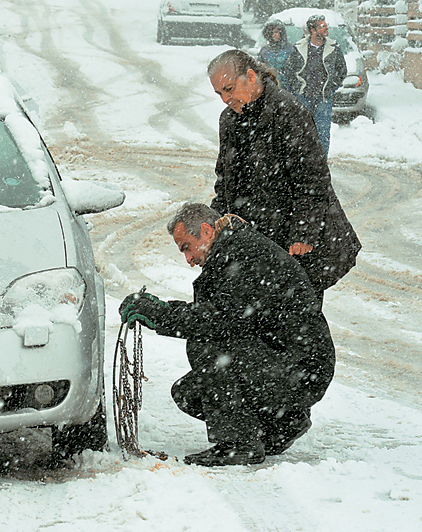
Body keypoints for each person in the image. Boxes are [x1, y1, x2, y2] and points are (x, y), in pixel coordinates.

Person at [119, 203, 336, 467]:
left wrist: (161, 313)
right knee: (188, 393)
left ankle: (240, 444)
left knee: (207, 346)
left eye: (186, 247)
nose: (188, 260)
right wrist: (163, 312)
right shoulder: (232, 250)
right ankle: (281, 425)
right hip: (289, 364)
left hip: (301, 369)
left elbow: (218, 321)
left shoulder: (243, 254)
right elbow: (219, 316)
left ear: (207, 231)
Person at [207, 48, 360, 304]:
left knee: (297, 323)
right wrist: (217, 222)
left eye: (229, 89)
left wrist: (302, 233)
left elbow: (313, 180)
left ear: (252, 77)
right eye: (219, 93)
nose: (225, 99)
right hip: (256, 239)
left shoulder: (289, 112)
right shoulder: (229, 120)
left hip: (293, 238)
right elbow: (225, 181)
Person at [284, 14, 348, 156]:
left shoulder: (334, 47)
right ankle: (302, 163)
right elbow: (289, 71)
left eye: (326, 25)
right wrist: (296, 90)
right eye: (322, 26)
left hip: (323, 99)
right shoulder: (299, 48)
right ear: (312, 31)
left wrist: (331, 87)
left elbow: (342, 70)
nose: (326, 29)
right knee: (301, 132)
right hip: (303, 98)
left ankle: (320, 166)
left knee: (323, 134)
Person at [258, 19, 294, 88]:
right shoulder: (264, 51)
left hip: (287, 87)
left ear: (281, 33)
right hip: (270, 87)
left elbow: (295, 70)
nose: (274, 35)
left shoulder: (290, 49)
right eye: (271, 33)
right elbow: (260, 70)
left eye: (276, 32)